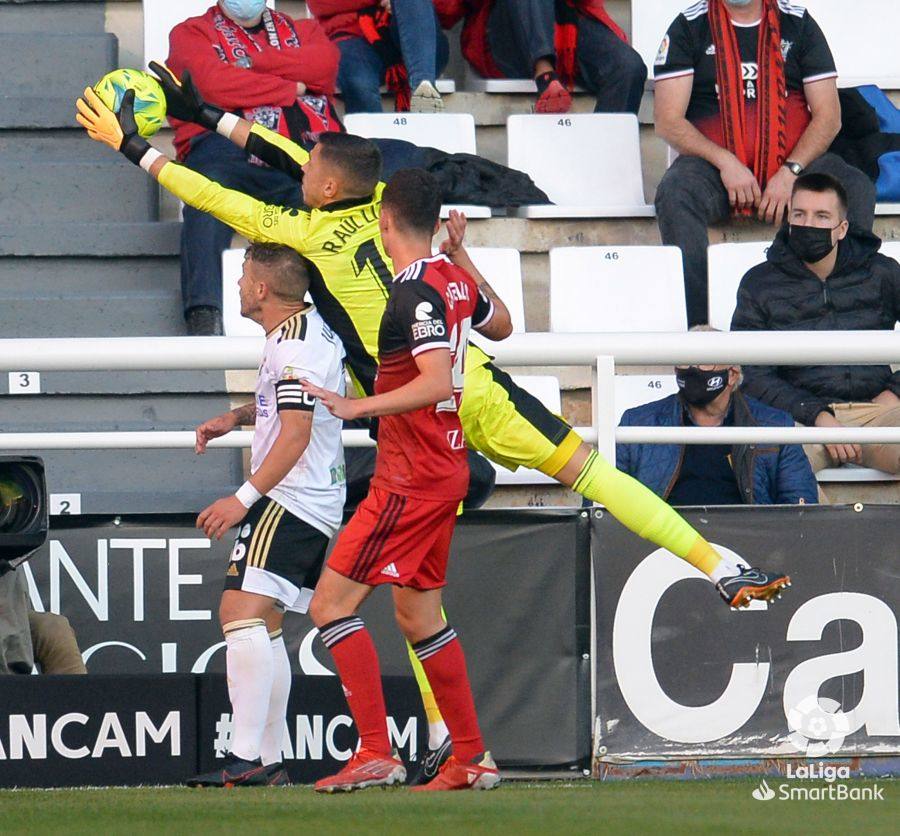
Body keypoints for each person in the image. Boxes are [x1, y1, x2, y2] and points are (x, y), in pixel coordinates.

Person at [76, 78, 792, 782]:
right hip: (481, 388)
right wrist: (203, 110)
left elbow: (220, 194)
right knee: (585, 481)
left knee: (374, 600)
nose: (304, 168)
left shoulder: (310, 232)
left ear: (330, 191)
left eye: (313, 169)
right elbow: (293, 154)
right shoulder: (421, 252)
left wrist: (135, 146)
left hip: (416, 427)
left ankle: (399, 744)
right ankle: (717, 564)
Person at [300, 168, 510, 792]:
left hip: (410, 476)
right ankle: (471, 758)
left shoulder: (411, 294)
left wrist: (355, 408)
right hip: (442, 468)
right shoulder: (449, 280)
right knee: (419, 619)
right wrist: (462, 254)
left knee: (328, 605)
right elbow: (500, 325)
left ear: (386, 221)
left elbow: (438, 380)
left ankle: (374, 751)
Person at [184, 242, 347, 788]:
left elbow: (297, 433)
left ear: (260, 289)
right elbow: (289, 408)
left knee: (240, 612)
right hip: (312, 495)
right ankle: (269, 759)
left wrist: (242, 499)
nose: (236, 287)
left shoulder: (294, 347)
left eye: (243, 278)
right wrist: (237, 416)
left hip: (292, 496)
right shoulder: (301, 332)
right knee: (265, 622)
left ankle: (248, 755)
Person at [653, 0, 876, 327]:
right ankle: (700, 325)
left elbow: (829, 117)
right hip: (716, 171)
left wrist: (791, 171)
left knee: (854, 187)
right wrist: (726, 162)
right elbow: (667, 121)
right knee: (676, 193)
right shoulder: (689, 26)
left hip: (794, 167)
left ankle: (849, 314)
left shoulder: (797, 23)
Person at [165, 0, 341, 335]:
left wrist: (251, 64)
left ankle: (331, 320)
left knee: (327, 203)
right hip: (223, 145)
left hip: (298, 148)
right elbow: (211, 87)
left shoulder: (305, 29)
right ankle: (204, 317)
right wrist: (293, 86)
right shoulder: (190, 33)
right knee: (204, 195)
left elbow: (325, 67)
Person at [731, 173, 900, 477]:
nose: (809, 224)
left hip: (879, 412)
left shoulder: (882, 273)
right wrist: (817, 415)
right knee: (765, 470)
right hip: (799, 420)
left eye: (822, 216)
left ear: (842, 228)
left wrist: (894, 394)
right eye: (800, 214)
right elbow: (752, 374)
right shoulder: (759, 283)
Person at [617, 340, 818, 505]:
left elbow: (799, 507)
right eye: (685, 362)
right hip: (660, 547)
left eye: (705, 362)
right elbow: (604, 504)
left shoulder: (774, 426)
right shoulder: (637, 423)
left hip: (748, 546)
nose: (692, 369)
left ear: (732, 375)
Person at [433, 0, 647, 115]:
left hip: (567, 29)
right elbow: (445, 12)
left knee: (628, 68)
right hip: (505, 41)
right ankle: (544, 73)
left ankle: (602, 161)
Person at [308, 0, 449, 113]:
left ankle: (423, 93)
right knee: (359, 83)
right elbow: (320, 3)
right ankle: (370, 146)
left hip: (421, 43)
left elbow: (451, 9)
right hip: (352, 38)